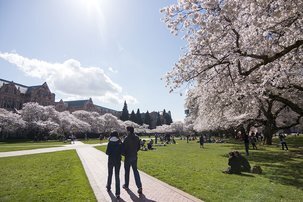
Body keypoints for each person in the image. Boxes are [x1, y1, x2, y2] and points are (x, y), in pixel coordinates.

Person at [122, 126, 143, 195]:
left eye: (126, 130)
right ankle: (139, 186)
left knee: (127, 172)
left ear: (128, 131)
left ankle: (126, 185)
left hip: (128, 157)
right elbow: (138, 147)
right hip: (134, 156)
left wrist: (124, 154)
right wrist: (134, 152)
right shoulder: (137, 137)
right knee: (135, 171)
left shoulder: (126, 138)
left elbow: (123, 149)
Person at [106, 131, 122, 199]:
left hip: (111, 160)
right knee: (117, 176)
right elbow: (122, 151)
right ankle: (117, 193)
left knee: (110, 174)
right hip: (118, 160)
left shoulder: (110, 142)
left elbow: (107, 152)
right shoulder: (119, 142)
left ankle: (108, 187)